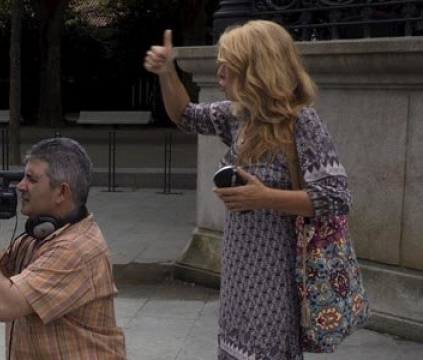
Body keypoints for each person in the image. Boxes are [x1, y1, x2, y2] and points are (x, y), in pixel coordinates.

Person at [144, 21, 352, 359]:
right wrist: (168, 72)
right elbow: (186, 115)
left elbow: (337, 197)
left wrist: (264, 197)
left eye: (229, 65)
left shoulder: (302, 123)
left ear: (257, 69)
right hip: (239, 274)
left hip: (276, 277)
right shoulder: (240, 117)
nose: (220, 73)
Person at [0, 137, 127, 359]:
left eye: (31, 179)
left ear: (62, 192)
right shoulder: (39, 235)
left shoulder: (75, 249)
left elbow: (2, 305)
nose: (21, 186)